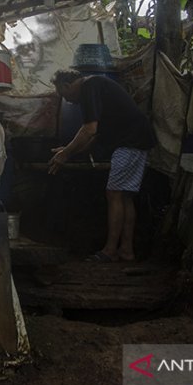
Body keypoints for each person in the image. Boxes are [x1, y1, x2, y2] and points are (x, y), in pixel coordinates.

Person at [48, 69, 156, 262]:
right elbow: (95, 134)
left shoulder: (90, 87)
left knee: (114, 194)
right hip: (137, 140)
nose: (69, 101)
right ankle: (126, 250)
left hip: (130, 143)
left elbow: (89, 129)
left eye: (65, 96)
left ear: (67, 85)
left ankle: (110, 251)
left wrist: (66, 154)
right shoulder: (95, 85)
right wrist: (70, 150)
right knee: (124, 197)